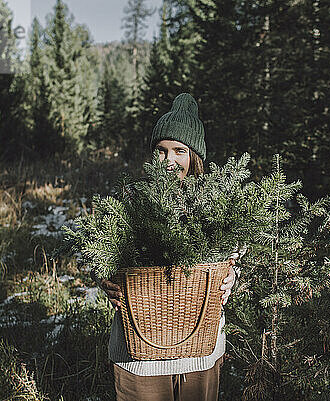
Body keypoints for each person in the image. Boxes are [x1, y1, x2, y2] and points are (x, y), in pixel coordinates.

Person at [92, 93, 247, 401]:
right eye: (161, 150)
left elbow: (231, 257)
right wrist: (105, 280)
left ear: (194, 156)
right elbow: (104, 253)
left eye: (179, 150)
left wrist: (231, 278)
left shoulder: (213, 202)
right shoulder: (133, 199)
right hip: (139, 348)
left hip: (199, 350)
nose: (169, 160)